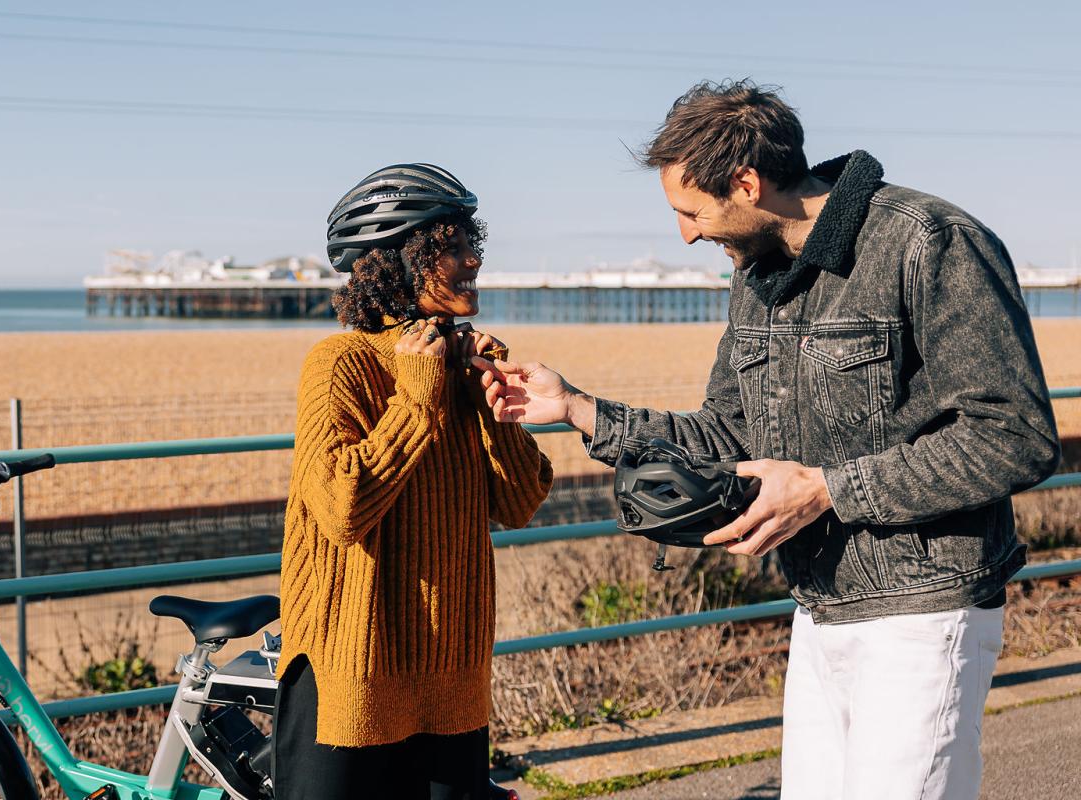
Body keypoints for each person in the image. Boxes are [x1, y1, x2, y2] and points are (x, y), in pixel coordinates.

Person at [472, 81, 1060, 800]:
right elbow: (725, 433)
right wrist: (577, 409)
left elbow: (1016, 436)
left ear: (747, 183)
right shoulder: (756, 275)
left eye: (693, 212)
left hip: (925, 611)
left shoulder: (927, 241)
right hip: (817, 606)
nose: (685, 234)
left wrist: (825, 489)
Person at [274, 163, 553, 799]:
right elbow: (343, 506)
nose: (474, 260)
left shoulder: (459, 363)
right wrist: (417, 397)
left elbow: (520, 503)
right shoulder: (339, 363)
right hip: (353, 673)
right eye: (451, 246)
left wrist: (495, 409)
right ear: (398, 263)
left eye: (470, 243)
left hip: (449, 678)